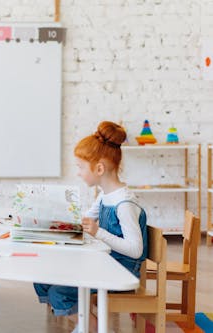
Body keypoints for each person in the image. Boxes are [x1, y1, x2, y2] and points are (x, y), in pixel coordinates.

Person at [33, 121, 148, 333]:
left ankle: (93, 327)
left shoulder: (124, 204)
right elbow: (85, 218)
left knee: (59, 292)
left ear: (99, 168)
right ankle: (86, 322)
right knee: (42, 279)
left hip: (121, 270)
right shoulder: (105, 195)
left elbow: (135, 250)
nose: (78, 172)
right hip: (106, 261)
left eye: (80, 167)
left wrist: (98, 232)